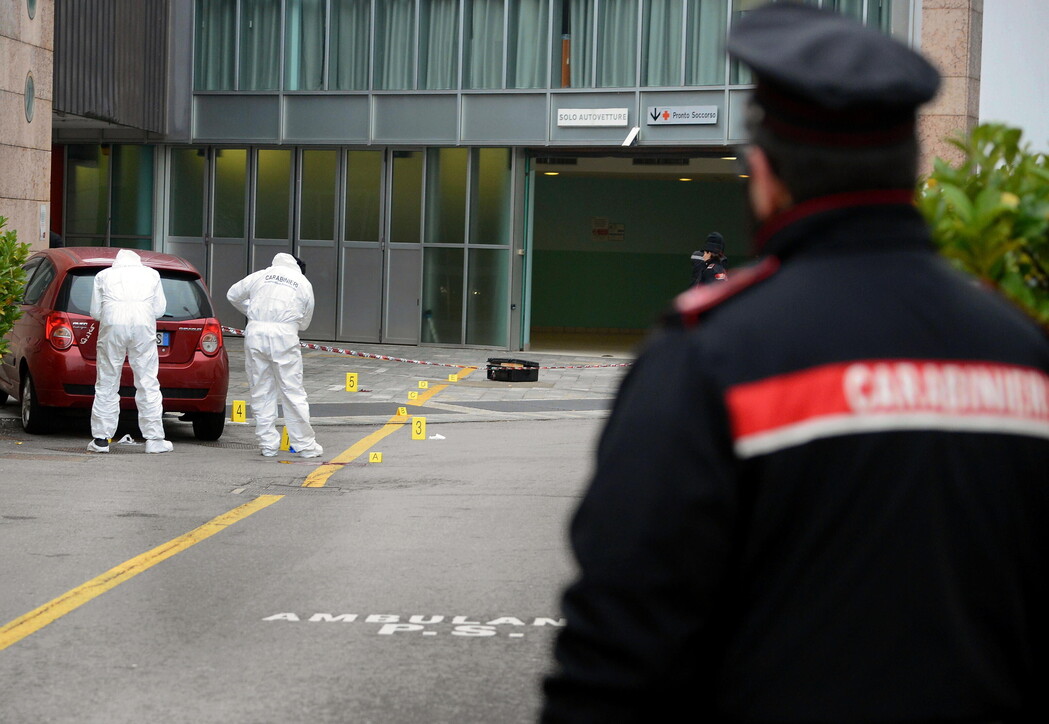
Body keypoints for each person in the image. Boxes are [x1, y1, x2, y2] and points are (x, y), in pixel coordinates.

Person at [542, 4, 1049, 722]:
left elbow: (619, 648)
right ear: (909, 167)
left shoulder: (711, 356)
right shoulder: (1021, 353)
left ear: (766, 173)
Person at [227, 253, 323, 459]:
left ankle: (268, 444)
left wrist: (253, 311)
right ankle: (305, 445)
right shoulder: (302, 283)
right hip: (284, 334)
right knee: (292, 390)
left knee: (260, 389)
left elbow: (232, 294)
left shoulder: (260, 275)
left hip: (255, 331)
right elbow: (305, 322)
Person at [87, 249, 173, 454]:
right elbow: (159, 310)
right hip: (143, 327)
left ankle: (101, 440)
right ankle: (154, 439)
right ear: (138, 262)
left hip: (112, 327)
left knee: (107, 381)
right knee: (147, 381)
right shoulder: (151, 274)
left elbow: (95, 312)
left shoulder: (103, 276)